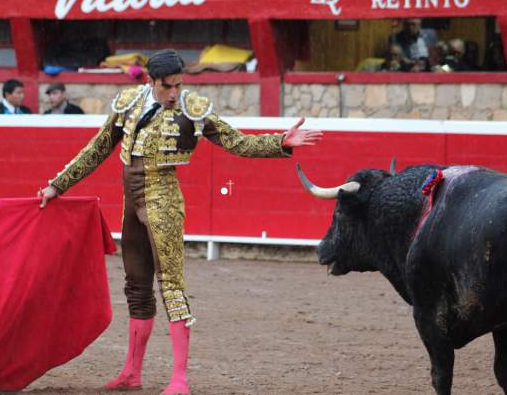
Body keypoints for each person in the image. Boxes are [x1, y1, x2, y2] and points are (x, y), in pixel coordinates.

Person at [37, 49, 322, 395]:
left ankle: (179, 379)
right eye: (167, 86)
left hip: (164, 200)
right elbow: (97, 148)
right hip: (131, 203)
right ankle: (132, 373)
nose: (174, 93)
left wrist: (279, 142)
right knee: (137, 287)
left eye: (178, 85)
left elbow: (235, 141)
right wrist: (57, 184)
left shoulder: (193, 108)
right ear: (150, 81)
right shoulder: (128, 103)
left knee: (171, 285)